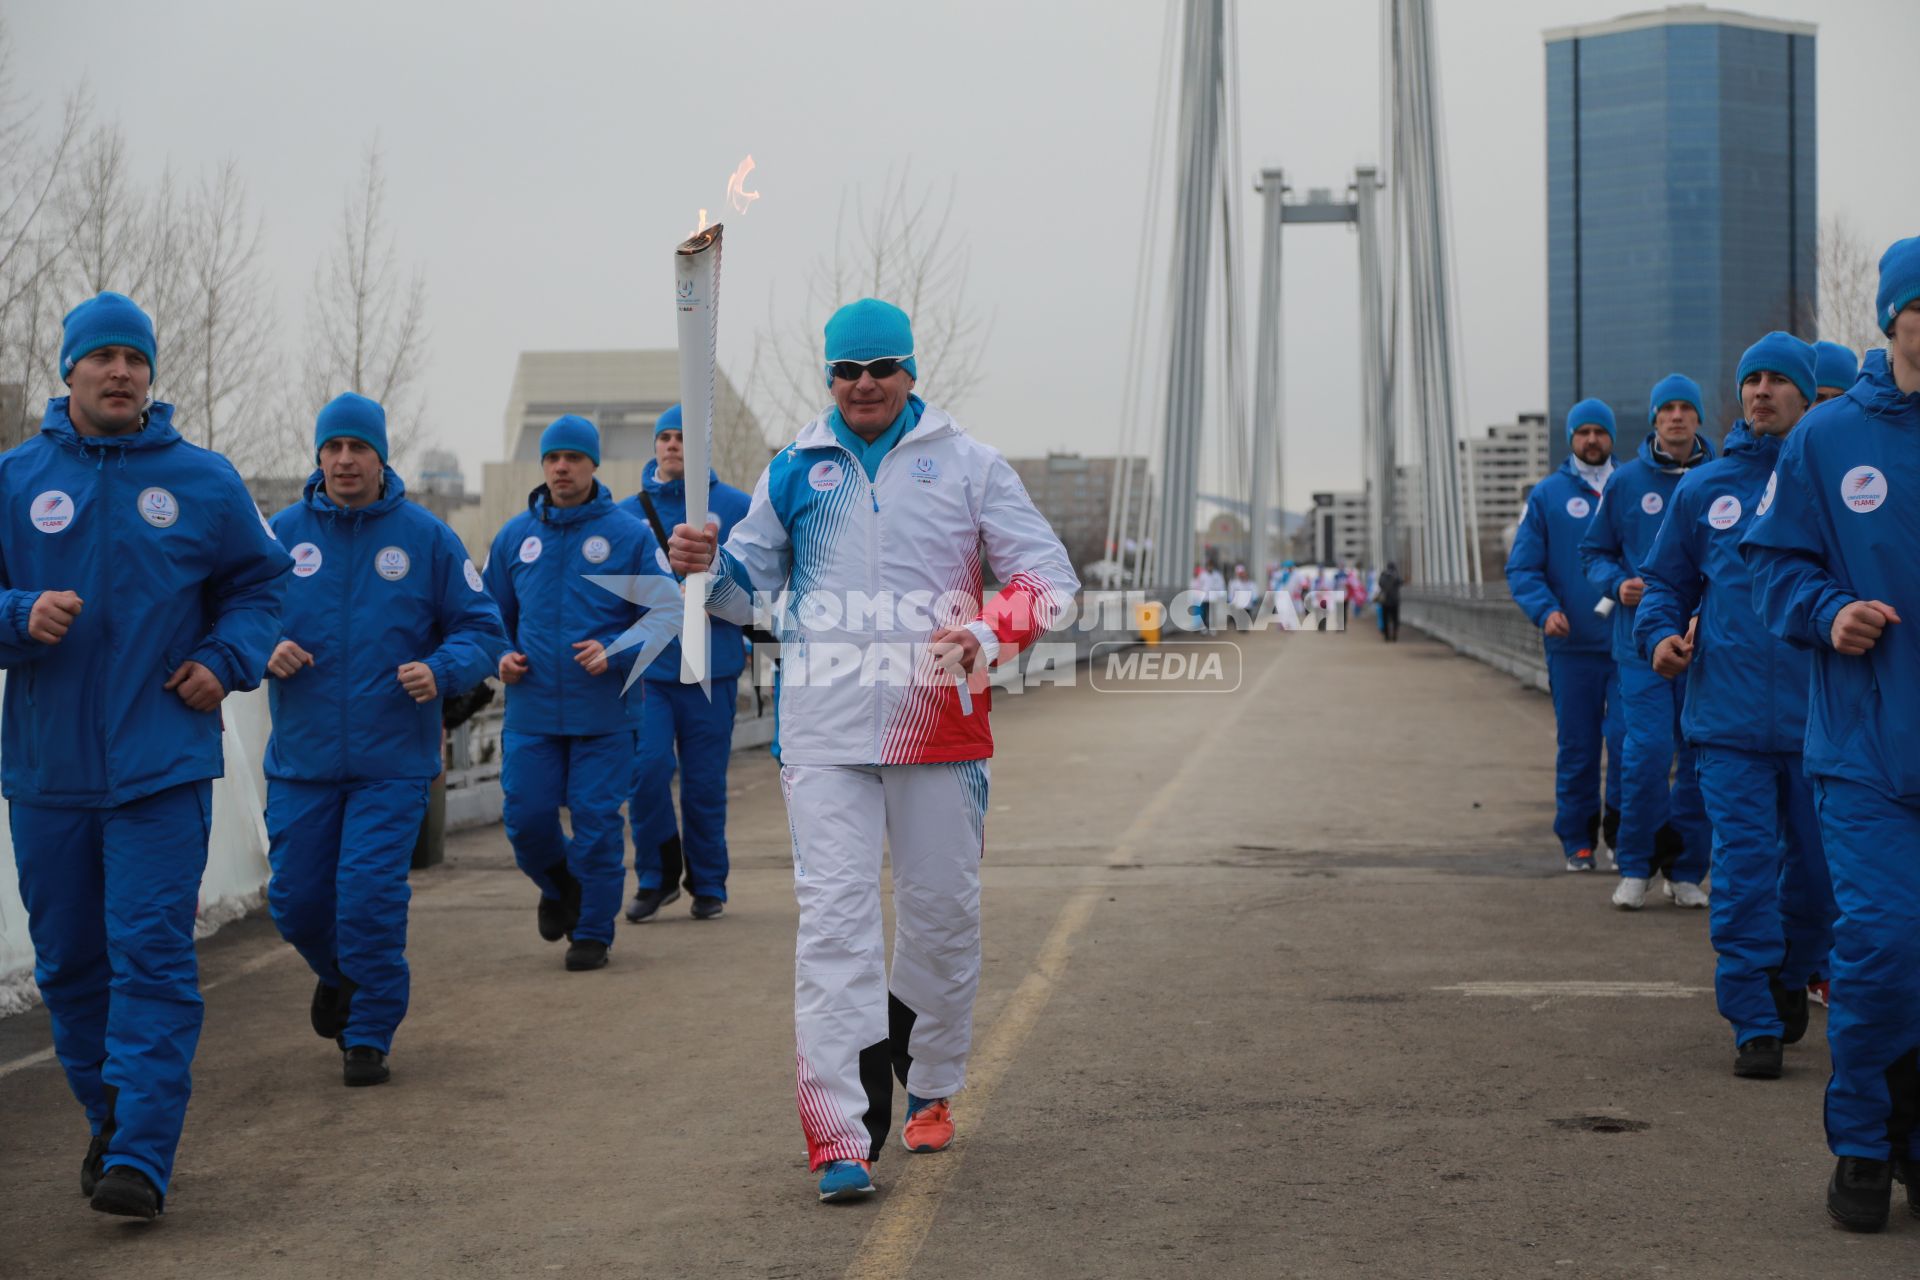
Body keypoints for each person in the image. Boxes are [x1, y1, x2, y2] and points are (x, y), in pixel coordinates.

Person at [666, 298, 1079, 1203]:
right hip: (822, 735)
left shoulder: (969, 467)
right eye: (847, 372)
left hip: (940, 731)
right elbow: (743, 590)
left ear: (910, 373)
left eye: (880, 369)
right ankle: (836, 1135)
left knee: (940, 916)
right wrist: (704, 567)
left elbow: (1050, 582)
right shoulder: (795, 470)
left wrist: (986, 631)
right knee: (836, 925)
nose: (863, 386)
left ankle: (929, 1079)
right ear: (831, 379)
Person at [1, 292, 291, 1218]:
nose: (121, 372)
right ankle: (110, 1112)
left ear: (150, 375)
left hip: (161, 766)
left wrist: (223, 659)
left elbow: (262, 590)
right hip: (49, 772)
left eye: (135, 358)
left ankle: (142, 1154)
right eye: (103, 358)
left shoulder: (202, 481)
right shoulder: (15, 481)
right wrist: (17, 616)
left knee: (151, 955)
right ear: (70, 371)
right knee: (71, 966)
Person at [1742, 236, 1920, 1232]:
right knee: (1887, 948)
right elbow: (1773, 567)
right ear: (1894, 316)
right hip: (1868, 751)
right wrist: (1829, 613)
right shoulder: (1831, 438)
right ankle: (1862, 1135)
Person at [264, 393, 507, 1086]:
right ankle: (340, 975)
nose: (345, 460)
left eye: (358, 448)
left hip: (392, 762)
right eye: (333, 448)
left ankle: (369, 1029)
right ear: (318, 457)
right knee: (296, 902)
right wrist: (263, 648)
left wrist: (440, 668)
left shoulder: (426, 539)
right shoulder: (280, 536)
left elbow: (483, 630)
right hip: (302, 760)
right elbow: (235, 615)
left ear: (380, 457)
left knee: (368, 896)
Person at [1635, 334, 1835, 1081]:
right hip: (1726, 719)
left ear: (1806, 395)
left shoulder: (1833, 482)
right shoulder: (1704, 490)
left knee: (1817, 875)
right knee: (1746, 868)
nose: (1760, 392)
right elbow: (1664, 584)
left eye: (1777, 380)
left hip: (1826, 722)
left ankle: (1795, 971)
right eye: (1750, 379)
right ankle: (1751, 1011)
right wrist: (1659, 638)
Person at [483, 415, 663, 972]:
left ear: (592, 465)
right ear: (543, 466)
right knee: (526, 819)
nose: (562, 467)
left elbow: (666, 615)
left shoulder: (629, 535)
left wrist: (615, 649)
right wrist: (500, 656)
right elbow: (487, 617)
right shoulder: (515, 537)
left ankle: (592, 931)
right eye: (553, 458)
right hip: (531, 712)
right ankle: (560, 884)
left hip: (603, 714)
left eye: (573, 458)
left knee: (596, 823)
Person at [1578, 374, 1716, 910]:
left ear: (1697, 418)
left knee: (1700, 758)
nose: (1677, 416)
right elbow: (1595, 552)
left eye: (1686, 408)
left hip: (1706, 644)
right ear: (1654, 420)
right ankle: (1635, 864)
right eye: (1668, 409)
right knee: (1647, 753)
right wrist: (1617, 583)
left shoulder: (1722, 477)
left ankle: (1685, 871)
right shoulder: (1627, 482)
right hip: (1639, 645)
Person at [616, 403, 752, 922]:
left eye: (683, 437)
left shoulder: (736, 506)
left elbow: (755, 580)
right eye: (665, 437)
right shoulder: (629, 514)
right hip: (650, 671)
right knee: (646, 772)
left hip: (711, 668)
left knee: (704, 783)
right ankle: (656, 876)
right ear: (655, 447)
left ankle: (708, 882)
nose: (673, 445)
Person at [1505, 400, 1626, 871]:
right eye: (1583, 433)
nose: (1592, 440)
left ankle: (1621, 836)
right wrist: (1545, 610)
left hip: (1627, 645)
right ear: (1571, 439)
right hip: (1571, 646)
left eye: (1600, 431)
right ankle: (1577, 840)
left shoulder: (1631, 485)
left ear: (1611, 437)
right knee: (1578, 747)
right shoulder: (1547, 496)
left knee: (1626, 744)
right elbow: (1523, 568)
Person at [1375, 562, 1403, 641]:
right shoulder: (1396, 575)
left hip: (1385, 601)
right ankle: (1395, 634)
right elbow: (1401, 582)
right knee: (1395, 619)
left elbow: (1380, 584)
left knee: (1385, 618)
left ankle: (1387, 636)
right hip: (1395, 601)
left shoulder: (1383, 575)